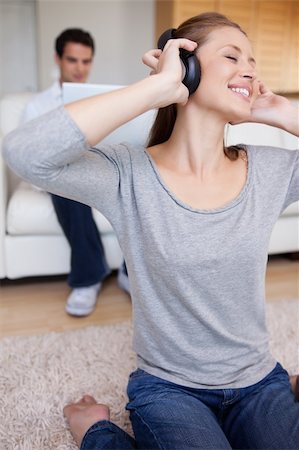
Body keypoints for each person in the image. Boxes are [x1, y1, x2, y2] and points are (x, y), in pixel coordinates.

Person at [3, 11, 299, 450]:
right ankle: (95, 431)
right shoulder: (128, 174)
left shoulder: (270, 169)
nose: (250, 70)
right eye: (232, 56)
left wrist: (286, 114)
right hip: (170, 389)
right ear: (189, 67)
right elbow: (25, 153)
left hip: (259, 381)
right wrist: (154, 89)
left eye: (252, 61)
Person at [22, 28, 129, 317]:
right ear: (58, 58)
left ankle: (131, 273)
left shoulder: (99, 101)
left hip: (98, 168)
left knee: (139, 182)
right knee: (69, 185)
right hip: (58, 176)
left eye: (86, 61)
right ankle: (88, 277)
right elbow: (28, 157)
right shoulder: (37, 106)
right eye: (72, 60)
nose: (80, 69)